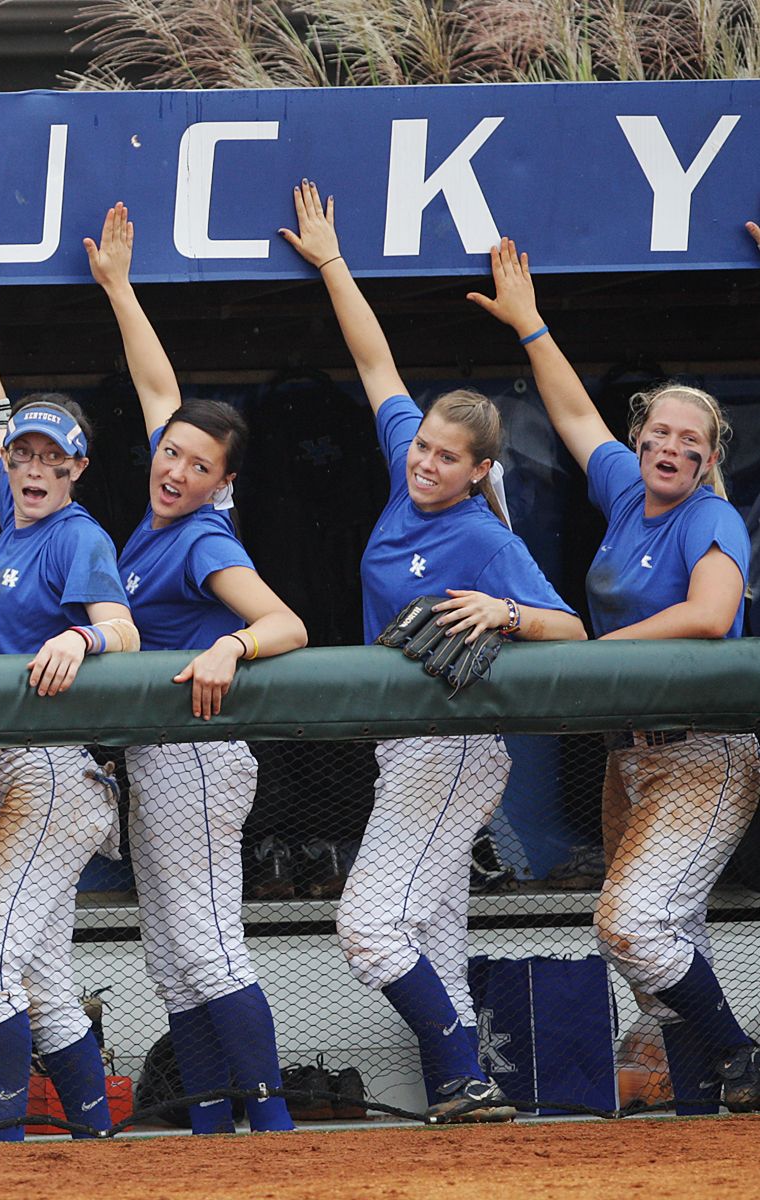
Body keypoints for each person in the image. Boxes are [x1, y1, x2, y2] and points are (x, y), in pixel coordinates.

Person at [280, 182, 586, 1123]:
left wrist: (506, 611)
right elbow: (375, 363)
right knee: (431, 929)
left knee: (371, 926)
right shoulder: (408, 453)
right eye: (426, 451)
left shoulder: (488, 538)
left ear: (480, 470)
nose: (426, 464)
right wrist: (335, 264)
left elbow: (573, 631)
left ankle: (459, 1073)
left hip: (453, 746)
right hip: (404, 743)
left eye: (449, 459)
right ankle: (468, 1107)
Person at [468, 235, 760, 1115]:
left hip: (703, 749)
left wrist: (598, 655)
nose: (670, 448)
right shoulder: (630, 492)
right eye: (658, 432)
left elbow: (712, 613)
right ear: (641, 440)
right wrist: (530, 326)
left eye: (689, 441)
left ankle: (741, 1055)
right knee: (669, 934)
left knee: (630, 926)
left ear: (711, 458)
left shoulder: (713, 517)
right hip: (628, 753)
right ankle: (700, 1106)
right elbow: (570, 416)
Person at [87, 203, 307, 1134]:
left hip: (200, 755)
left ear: (224, 482)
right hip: (156, 758)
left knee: (209, 948)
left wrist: (229, 643)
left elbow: (286, 622)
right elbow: (158, 389)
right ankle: (211, 1132)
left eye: (197, 463)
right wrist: (121, 290)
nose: (175, 468)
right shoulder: (156, 517)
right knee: (169, 955)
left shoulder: (205, 535)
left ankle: (271, 1128)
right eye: (171, 453)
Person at [0, 226, 139, 1142]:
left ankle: (5, 1150)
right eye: (22, 455)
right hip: (18, 770)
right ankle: (95, 1146)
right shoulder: (19, 511)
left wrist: (83, 638)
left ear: (76, 468)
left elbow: (126, 631)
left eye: (51, 458)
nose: (31, 467)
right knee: (47, 979)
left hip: (55, 769)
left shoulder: (76, 531)